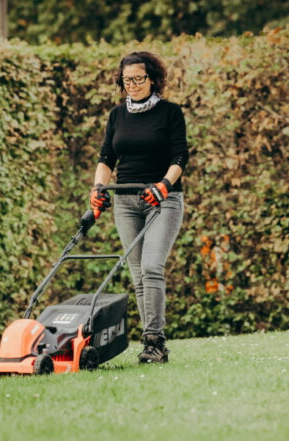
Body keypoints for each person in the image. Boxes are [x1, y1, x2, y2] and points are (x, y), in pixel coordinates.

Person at [89, 51, 188, 364]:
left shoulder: (170, 112)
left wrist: (164, 185)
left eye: (138, 79)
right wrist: (98, 188)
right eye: (126, 80)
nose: (131, 85)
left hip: (162, 199)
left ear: (153, 79)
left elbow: (180, 157)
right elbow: (106, 158)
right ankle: (151, 344)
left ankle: (155, 342)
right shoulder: (117, 115)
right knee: (138, 274)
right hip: (126, 201)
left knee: (151, 267)